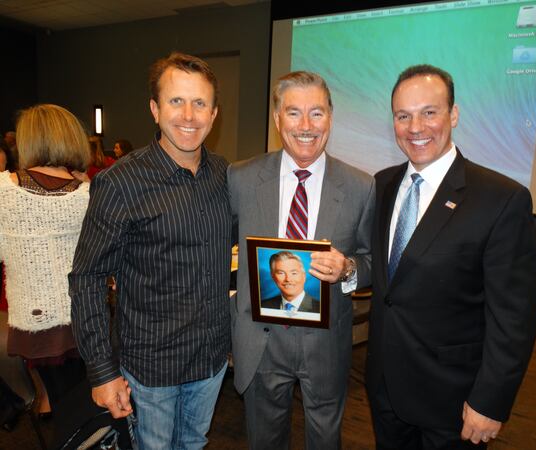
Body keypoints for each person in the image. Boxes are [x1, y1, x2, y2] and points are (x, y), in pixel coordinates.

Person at [366, 64, 536, 449]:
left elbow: (514, 318)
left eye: (429, 112)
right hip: (385, 390)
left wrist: (490, 401)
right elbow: (387, 281)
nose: (416, 127)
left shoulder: (501, 199)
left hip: (453, 403)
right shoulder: (380, 185)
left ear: (454, 114)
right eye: (403, 116)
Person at [69, 52, 232, 449]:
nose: (189, 115)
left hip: (210, 362)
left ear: (214, 114)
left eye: (200, 103)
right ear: (155, 109)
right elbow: (86, 278)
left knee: (193, 444)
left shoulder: (225, 175)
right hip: (151, 368)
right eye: (177, 101)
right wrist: (102, 373)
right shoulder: (119, 183)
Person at [228, 70, 375, 450]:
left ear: (330, 117)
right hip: (261, 341)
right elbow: (218, 253)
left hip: (325, 342)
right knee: (263, 440)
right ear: (277, 119)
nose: (306, 126)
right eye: (293, 113)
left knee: (326, 440)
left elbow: (373, 261)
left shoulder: (361, 186)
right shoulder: (241, 179)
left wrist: (348, 269)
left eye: (317, 113)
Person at [0, 104, 90, 411]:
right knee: (82, 407)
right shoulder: (89, 194)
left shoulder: (3, 191)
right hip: (87, 319)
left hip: (35, 323)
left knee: (66, 404)